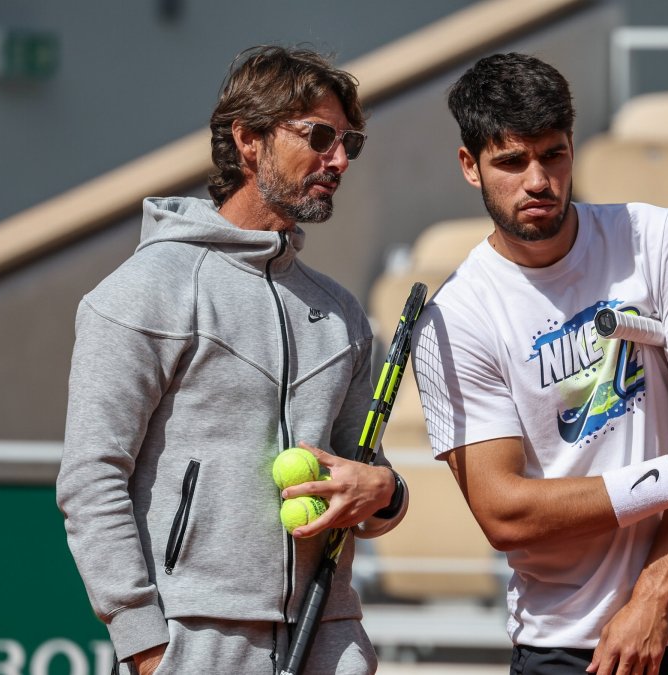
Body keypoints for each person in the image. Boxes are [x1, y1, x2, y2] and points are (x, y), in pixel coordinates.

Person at [56, 45, 408, 675]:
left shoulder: (345, 315)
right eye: (319, 136)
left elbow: (363, 475)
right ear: (248, 139)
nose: (337, 160)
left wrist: (386, 492)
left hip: (327, 638)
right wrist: (146, 646)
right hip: (193, 642)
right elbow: (91, 480)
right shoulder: (146, 289)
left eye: (348, 142)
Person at [410, 52, 668, 675]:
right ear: (470, 166)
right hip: (568, 647)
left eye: (553, 154)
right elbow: (505, 512)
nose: (538, 180)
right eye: (511, 161)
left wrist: (652, 600)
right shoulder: (456, 318)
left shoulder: (658, 241)